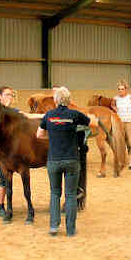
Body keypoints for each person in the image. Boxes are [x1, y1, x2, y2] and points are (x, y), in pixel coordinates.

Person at [36, 87, 88, 237]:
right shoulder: (75, 114)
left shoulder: (49, 115)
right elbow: (90, 123)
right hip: (72, 159)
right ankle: (70, 229)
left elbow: (39, 135)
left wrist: (52, 137)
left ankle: (54, 226)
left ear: (55, 100)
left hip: (54, 160)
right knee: (71, 195)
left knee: (55, 193)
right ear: (69, 100)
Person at [0, 85, 18, 216]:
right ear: (0, 97)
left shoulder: (10, 110)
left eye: (11, 95)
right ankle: (0, 206)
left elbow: (24, 115)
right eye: (7, 94)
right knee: (4, 178)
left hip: (6, 151)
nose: (10, 97)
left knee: (3, 177)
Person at [112, 80, 131, 170]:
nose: (120, 91)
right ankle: (120, 161)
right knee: (120, 142)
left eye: (122, 89)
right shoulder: (115, 98)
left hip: (129, 122)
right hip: (119, 123)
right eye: (119, 89)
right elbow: (112, 105)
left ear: (126, 89)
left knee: (129, 142)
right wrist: (117, 111)